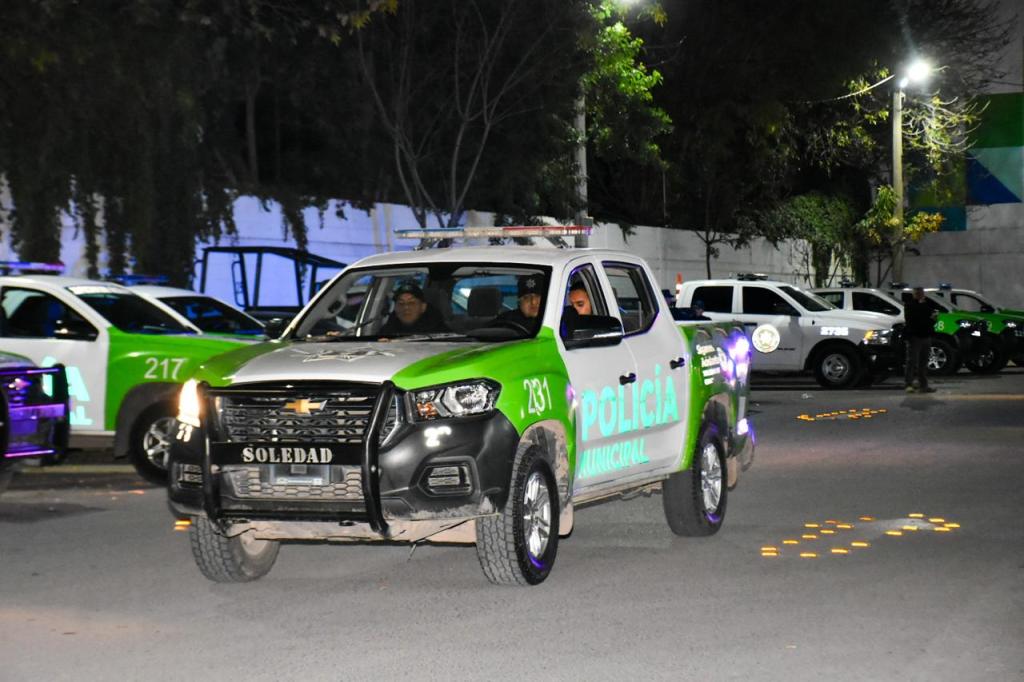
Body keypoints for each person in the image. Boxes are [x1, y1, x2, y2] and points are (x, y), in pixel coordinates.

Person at [379, 282, 447, 336]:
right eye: (401, 303)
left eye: (411, 303)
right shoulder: (387, 331)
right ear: (395, 308)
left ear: (423, 307)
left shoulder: (441, 333)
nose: (406, 307)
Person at [903, 287, 937, 393]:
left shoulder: (926, 304)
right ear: (914, 294)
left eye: (921, 293)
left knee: (923, 362)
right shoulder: (910, 305)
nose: (920, 295)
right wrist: (927, 315)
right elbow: (913, 318)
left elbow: (931, 317)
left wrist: (933, 318)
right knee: (912, 361)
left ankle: (923, 385)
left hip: (926, 336)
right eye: (918, 293)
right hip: (914, 336)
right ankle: (909, 384)